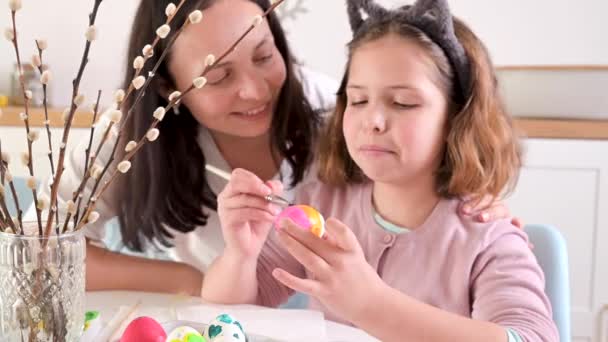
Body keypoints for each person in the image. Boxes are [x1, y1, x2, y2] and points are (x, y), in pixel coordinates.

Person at [33, 0, 517, 296]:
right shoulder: (135, 136)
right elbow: (41, 255)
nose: (255, 90)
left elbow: (434, 172)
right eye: (218, 76)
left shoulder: (341, 112)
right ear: (166, 89)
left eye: (265, 57)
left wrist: (467, 195)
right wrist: (189, 280)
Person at [201, 0, 558, 340]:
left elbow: (529, 337)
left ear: (456, 117)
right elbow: (228, 313)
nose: (372, 120)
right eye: (358, 100)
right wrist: (240, 255)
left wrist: (371, 304)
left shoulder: (487, 238)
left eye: (403, 103)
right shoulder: (322, 207)